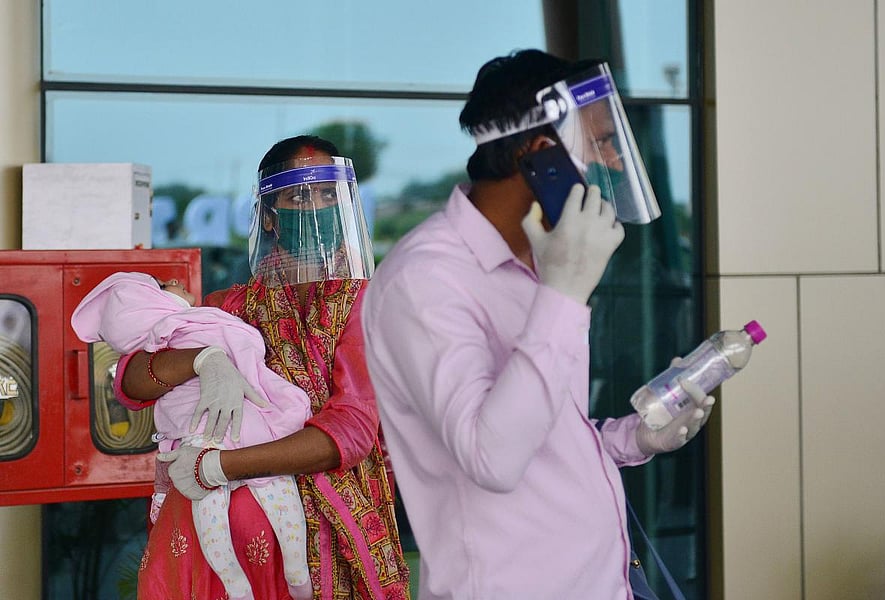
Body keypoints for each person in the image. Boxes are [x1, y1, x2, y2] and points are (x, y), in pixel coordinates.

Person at [360, 49, 715, 600]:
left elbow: (542, 428)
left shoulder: (541, 262)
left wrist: (632, 437)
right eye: (600, 143)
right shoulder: (425, 280)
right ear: (541, 153)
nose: (616, 162)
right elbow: (492, 456)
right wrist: (564, 294)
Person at [114, 135, 411, 599]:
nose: (317, 208)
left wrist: (220, 467)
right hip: (238, 538)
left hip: (337, 534)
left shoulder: (368, 304)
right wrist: (202, 359)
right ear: (270, 216)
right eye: (299, 195)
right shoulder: (232, 306)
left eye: (329, 194)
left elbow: (351, 430)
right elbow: (132, 382)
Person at [71, 271, 314, 600]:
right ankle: (270, 574)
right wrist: (206, 358)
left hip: (222, 458)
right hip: (226, 447)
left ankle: (250, 578)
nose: (174, 279)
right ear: (152, 305)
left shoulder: (205, 317)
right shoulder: (209, 311)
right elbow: (128, 383)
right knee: (249, 495)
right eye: (161, 285)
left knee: (216, 505)